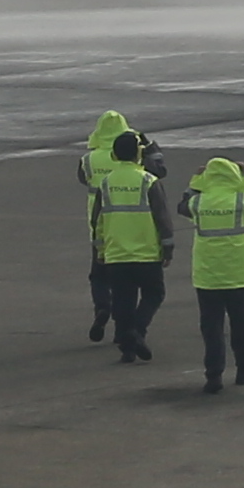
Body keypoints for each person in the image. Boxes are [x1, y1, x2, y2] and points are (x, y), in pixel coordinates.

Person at [181, 152, 244, 392]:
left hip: (207, 274)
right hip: (237, 272)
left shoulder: (199, 203)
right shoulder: (242, 202)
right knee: (241, 323)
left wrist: (197, 180)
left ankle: (213, 375)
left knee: (211, 327)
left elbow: (183, 203)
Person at [78, 114, 168, 363]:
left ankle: (105, 311)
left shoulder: (91, 160)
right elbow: (160, 172)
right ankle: (133, 332)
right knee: (152, 292)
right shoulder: (143, 175)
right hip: (143, 242)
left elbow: (82, 179)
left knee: (108, 283)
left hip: (106, 232)